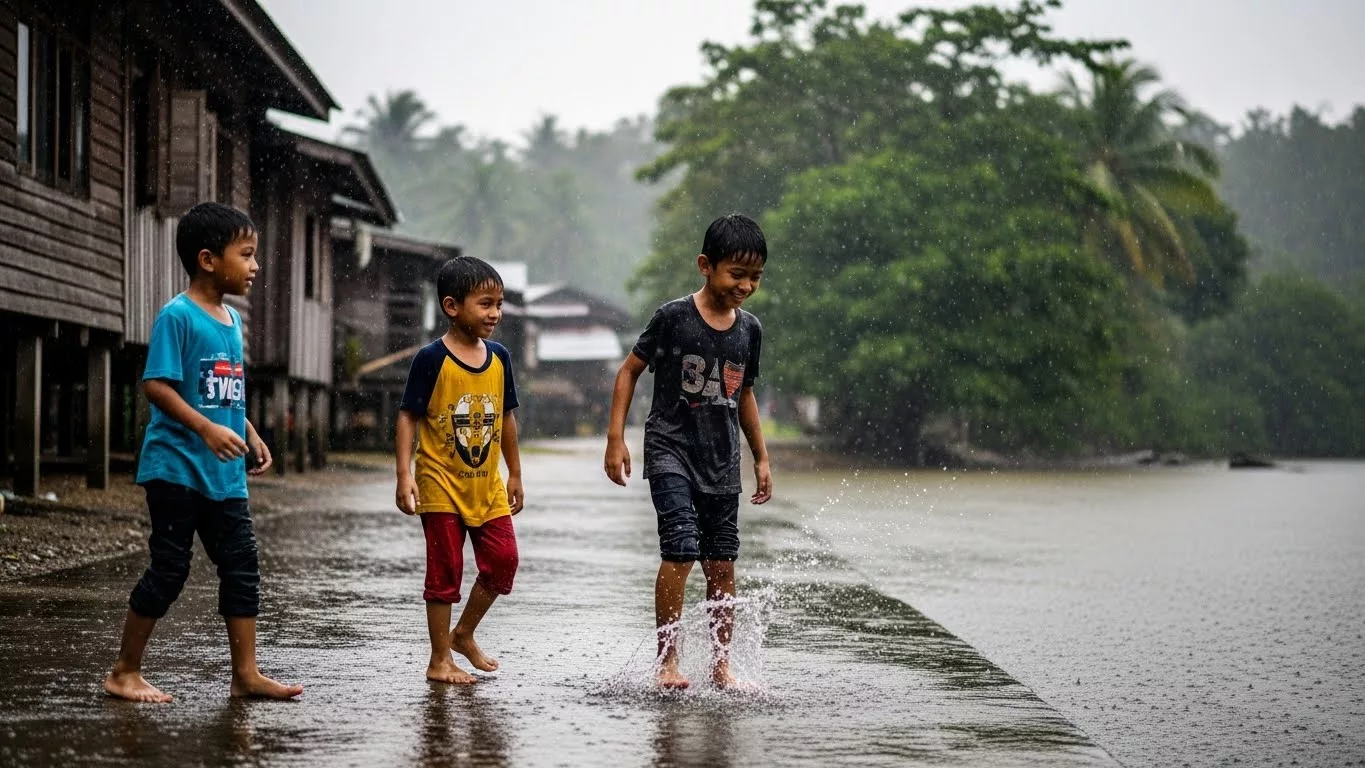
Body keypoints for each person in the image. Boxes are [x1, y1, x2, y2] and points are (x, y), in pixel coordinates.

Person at [104, 202, 300, 703]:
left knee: (242, 565)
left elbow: (222, 392)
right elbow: (157, 386)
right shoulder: (178, 316)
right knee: (170, 568)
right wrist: (207, 429)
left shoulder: (232, 320)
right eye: (246, 255)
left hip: (224, 475)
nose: (255, 266)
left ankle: (246, 674)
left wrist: (248, 431)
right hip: (176, 468)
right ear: (208, 260)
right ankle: (124, 671)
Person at [604, 213, 773, 690]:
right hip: (670, 450)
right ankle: (667, 661)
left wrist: (761, 457)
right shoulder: (674, 318)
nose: (746, 286)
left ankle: (721, 667)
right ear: (705, 266)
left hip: (721, 461)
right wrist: (615, 438)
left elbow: (744, 394)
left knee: (722, 564)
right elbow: (629, 371)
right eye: (736, 274)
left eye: (755, 276)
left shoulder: (750, 330)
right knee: (679, 550)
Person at [395, 256, 524, 685]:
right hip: (440, 483)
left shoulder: (500, 358)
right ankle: (439, 660)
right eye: (485, 304)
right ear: (452, 307)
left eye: (499, 304)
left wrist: (515, 474)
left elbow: (506, 418)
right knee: (445, 571)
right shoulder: (431, 358)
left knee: (503, 561)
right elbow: (408, 416)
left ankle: (463, 634)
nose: (495, 313)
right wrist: (404, 474)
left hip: (487, 484)